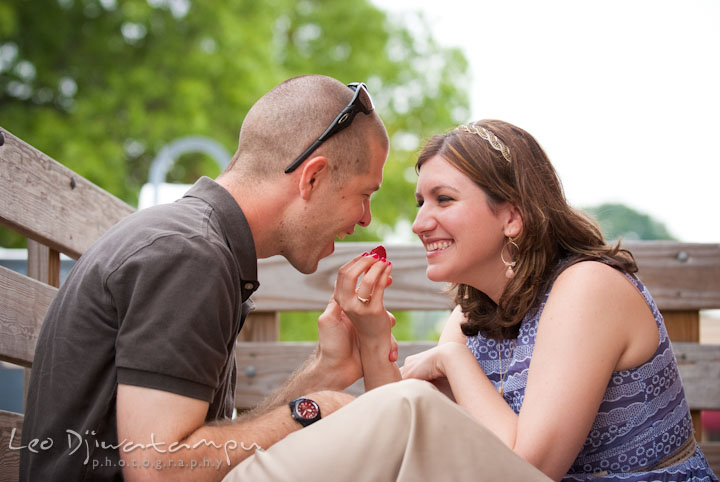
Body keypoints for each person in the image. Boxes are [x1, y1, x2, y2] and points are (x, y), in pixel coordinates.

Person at [19, 76, 551, 482]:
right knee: (402, 409)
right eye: (365, 193)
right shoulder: (189, 254)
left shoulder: (198, 245)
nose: (366, 219)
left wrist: (322, 375)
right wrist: (317, 409)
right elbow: (160, 469)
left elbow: (203, 445)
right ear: (314, 176)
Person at [337, 118, 716, 481]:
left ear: (513, 217)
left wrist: (451, 360)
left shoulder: (587, 288)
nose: (420, 222)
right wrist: (371, 335)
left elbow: (528, 472)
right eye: (422, 202)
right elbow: (406, 441)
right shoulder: (472, 315)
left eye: (444, 199)